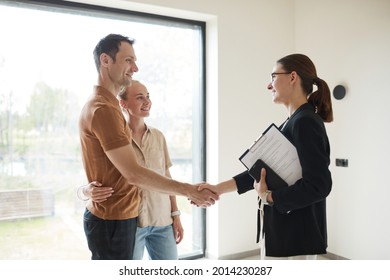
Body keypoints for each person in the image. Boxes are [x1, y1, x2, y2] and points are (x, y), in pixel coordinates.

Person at [79, 33, 217, 260]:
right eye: (128, 60)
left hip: (124, 218)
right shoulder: (103, 109)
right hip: (113, 221)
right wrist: (189, 190)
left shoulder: (108, 107)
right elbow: (132, 173)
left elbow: (107, 169)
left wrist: (175, 213)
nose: (135, 68)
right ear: (105, 60)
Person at [199, 53, 333, 260]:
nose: (268, 86)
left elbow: (319, 185)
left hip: (297, 238)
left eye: (273, 77)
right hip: (284, 233)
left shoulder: (305, 122)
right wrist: (217, 189)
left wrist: (269, 197)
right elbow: (259, 172)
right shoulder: (291, 122)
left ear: (292, 77)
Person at [79, 81, 183, 260]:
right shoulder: (116, 138)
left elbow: (166, 175)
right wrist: (85, 191)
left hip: (162, 220)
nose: (147, 101)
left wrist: (176, 215)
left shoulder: (158, 137)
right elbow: (99, 174)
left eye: (148, 96)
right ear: (123, 104)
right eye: (139, 97)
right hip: (132, 225)